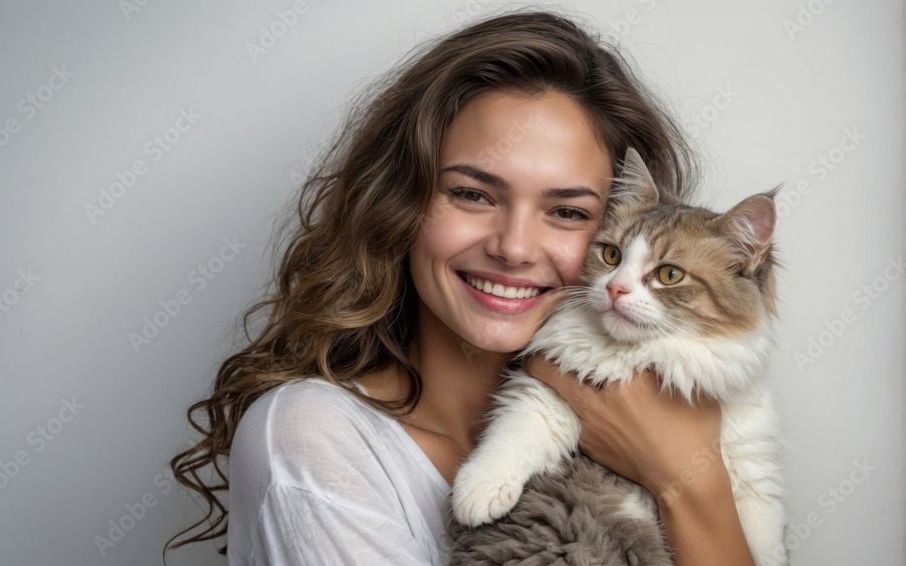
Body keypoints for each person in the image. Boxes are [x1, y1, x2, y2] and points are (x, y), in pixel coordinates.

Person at [167, 9, 756, 566]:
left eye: (569, 212)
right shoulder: (312, 437)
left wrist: (691, 480)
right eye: (473, 194)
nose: (515, 247)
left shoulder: (657, 426)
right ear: (398, 204)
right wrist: (689, 481)